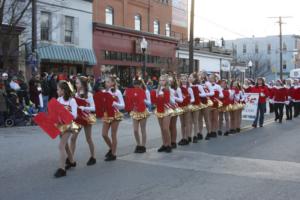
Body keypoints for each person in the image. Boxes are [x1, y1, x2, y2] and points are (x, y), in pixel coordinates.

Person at [70, 76, 97, 166]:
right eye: (76, 83)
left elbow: (94, 108)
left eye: (77, 83)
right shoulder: (75, 94)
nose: (76, 84)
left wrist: (84, 107)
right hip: (78, 118)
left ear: (82, 84)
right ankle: (70, 159)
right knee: (73, 138)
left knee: (88, 138)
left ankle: (93, 157)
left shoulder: (89, 95)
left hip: (87, 117)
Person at [55, 81, 78, 178]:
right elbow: (55, 112)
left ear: (63, 91)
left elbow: (75, 115)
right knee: (65, 146)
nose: (57, 91)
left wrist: (65, 113)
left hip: (68, 126)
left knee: (61, 146)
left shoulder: (71, 101)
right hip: (60, 125)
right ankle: (72, 161)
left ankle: (62, 169)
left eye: (58, 89)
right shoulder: (59, 99)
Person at [102, 75, 125, 161]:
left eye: (108, 82)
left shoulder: (117, 92)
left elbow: (123, 105)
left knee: (113, 134)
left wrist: (115, 104)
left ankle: (113, 154)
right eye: (106, 82)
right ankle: (112, 148)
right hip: (107, 114)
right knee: (104, 134)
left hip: (115, 114)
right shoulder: (104, 91)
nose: (106, 83)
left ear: (112, 83)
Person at [152, 74, 174, 153]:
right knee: (162, 129)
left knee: (166, 128)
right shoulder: (157, 90)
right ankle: (164, 144)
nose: (162, 82)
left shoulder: (169, 89)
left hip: (167, 110)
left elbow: (172, 101)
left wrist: (167, 100)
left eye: (163, 80)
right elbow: (155, 100)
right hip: (159, 109)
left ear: (167, 81)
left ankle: (169, 145)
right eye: (160, 80)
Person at [129, 77, 151, 153]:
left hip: (143, 111)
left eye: (138, 84)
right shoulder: (132, 91)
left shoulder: (145, 91)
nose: (136, 86)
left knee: (143, 129)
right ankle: (138, 144)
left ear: (141, 84)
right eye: (135, 84)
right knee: (135, 130)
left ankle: (143, 145)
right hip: (135, 111)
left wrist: (143, 100)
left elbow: (149, 103)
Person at [189, 72, 206, 143]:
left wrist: (197, 94)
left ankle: (195, 135)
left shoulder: (198, 86)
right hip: (189, 105)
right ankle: (189, 136)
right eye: (189, 77)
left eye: (191, 77)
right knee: (189, 121)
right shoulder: (188, 86)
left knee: (195, 121)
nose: (189, 78)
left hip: (196, 104)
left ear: (195, 78)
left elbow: (204, 94)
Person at [178, 74, 194, 145]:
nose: (183, 80)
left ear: (187, 80)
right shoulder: (178, 88)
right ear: (180, 80)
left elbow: (193, 98)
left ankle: (187, 138)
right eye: (182, 79)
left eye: (184, 79)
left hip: (187, 106)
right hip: (181, 107)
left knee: (187, 123)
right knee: (182, 123)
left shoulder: (189, 88)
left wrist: (189, 102)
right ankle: (183, 137)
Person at [169, 74, 183, 149]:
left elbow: (181, 99)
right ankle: (167, 142)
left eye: (171, 80)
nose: (169, 82)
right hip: (166, 108)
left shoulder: (177, 89)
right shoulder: (164, 88)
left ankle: (173, 142)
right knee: (167, 126)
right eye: (168, 80)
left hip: (174, 108)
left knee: (173, 125)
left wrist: (172, 96)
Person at [198, 72, 213, 140]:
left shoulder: (207, 83)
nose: (200, 76)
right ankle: (200, 133)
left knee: (206, 118)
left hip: (206, 101)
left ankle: (209, 132)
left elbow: (212, 93)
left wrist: (204, 94)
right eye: (199, 74)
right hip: (199, 102)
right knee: (199, 118)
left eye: (201, 74)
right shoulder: (197, 83)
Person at [208, 74, 224, 138]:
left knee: (215, 118)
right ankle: (210, 131)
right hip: (209, 103)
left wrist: (217, 95)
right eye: (209, 77)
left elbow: (221, 95)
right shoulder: (207, 85)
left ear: (214, 78)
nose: (210, 78)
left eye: (211, 77)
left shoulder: (218, 86)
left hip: (215, 103)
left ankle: (214, 131)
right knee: (210, 118)